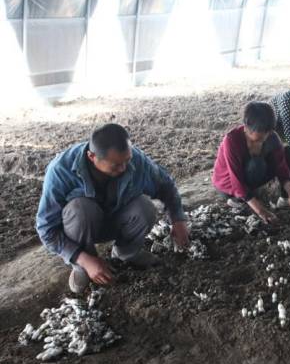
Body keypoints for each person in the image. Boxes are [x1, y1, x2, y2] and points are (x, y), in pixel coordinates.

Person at [35, 123, 190, 293]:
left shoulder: (135, 159)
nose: (124, 168)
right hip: (83, 225)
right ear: (91, 156)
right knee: (81, 209)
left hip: (117, 219)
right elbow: (46, 229)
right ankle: (83, 267)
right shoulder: (61, 170)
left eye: (127, 160)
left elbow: (166, 186)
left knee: (145, 207)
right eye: (115, 165)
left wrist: (178, 220)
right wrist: (84, 259)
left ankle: (127, 254)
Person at [212, 101, 290, 224]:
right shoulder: (232, 140)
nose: (259, 141)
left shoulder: (272, 137)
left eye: (264, 137)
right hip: (228, 185)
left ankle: (285, 199)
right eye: (254, 137)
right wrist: (262, 211)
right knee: (256, 164)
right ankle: (240, 200)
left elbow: (283, 169)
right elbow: (236, 180)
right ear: (245, 126)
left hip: (255, 172)